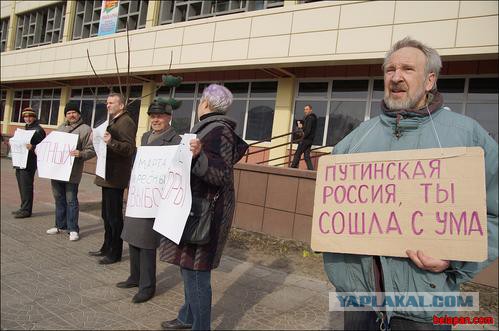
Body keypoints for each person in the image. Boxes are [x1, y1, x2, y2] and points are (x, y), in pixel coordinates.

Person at [322, 37, 498, 330]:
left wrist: (455, 260)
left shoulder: (467, 137)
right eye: (390, 69)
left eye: (407, 69)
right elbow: (333, 213)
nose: (396, 77)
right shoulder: (355, 141)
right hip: (358, 305)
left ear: (430, 80)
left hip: (426, 308)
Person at [158, 84, 248, 330]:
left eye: (200, 101)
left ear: (206, 104)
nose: (198, 105)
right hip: (194, 209)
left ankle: (201, 326)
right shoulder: (206, 128)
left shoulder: (219, 131)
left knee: (197, 273)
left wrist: (199, 156)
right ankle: (187, 317)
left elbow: (220, 174)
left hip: (205, 213)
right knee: (188, 267)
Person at [117, 100, 181, 303]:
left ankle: (147, 286)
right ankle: (135, 277)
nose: (155, 119)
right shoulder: (145, 137)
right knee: (133, 237)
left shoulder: (175, 140)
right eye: (152, 116)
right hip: (140, 195)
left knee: (146, 242)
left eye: (160, 116)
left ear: (169, 117)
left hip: (156, 199)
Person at [89, 92, 137, 265]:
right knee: (106, 214)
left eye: (111, 103)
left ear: (121, 105)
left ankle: (114, 252)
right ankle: (106, 246)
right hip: (106, 172)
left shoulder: (126, 122)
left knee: (114, 216)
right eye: (107, 102)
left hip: (115, 175)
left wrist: (111, 143)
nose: (108, 105)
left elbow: (129, 148)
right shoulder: (113, 120)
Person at [46, 101, 96, 241]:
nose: (71, 115)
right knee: (58, 199)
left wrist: (80, 154)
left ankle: (73, 228)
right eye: (68, 113)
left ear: (79, 114)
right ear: (65, 115)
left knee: (71, 200)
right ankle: (59, 225)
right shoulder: (60, 128)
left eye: (74, 112)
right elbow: (51, 145)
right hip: (56, 171)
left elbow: (91, 150)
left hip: (72, 172)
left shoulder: (86, 129)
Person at [12, 107, 46, 218]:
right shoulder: (25, 129)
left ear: (34, 117)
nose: (27, 118)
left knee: (26, 186)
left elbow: (44, 147)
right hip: (20, 161)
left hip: (29, 163)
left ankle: (26, 210)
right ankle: (23, 207)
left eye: (30, 116)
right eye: (25, 116)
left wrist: (33, 147)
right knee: (21, 186)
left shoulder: (38, 130)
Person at [290, 104, 317, 170]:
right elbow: (308, 128)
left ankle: (293, 168)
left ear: (311, 110)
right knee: (306, 156)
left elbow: (308, 130)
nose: (305, 111)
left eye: (307, 109)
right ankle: (311, 170)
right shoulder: (312, 118)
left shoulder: (310, 118)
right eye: (304, 109)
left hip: (306, 140)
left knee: (297, 153)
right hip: (310, 140)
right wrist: (302, 126)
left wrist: (302, 137)